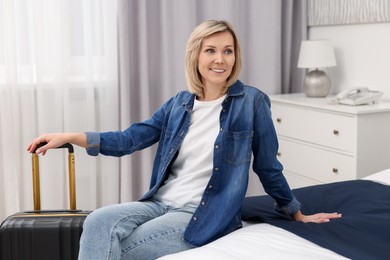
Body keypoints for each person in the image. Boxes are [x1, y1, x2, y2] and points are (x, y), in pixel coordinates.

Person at [27, 20, 342, 259]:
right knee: (97, 222)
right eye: (211, 50)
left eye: (228, 51)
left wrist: (294, 210)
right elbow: (129, 139)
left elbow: (268, 165)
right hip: (158, 203)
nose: (220, 59)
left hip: (200, 213)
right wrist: (68, 136)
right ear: (196, 56)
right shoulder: (179, 103)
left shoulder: (252, 102)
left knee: (125, 250)